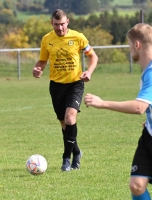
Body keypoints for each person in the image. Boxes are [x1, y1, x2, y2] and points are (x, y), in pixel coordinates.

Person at [84, 23, 152, 200]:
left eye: (129, 46)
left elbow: (139, 107)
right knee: (136, 185)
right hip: (151, 136)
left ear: (137, 45)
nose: (129, 50)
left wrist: (102, 103)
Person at [32, 9, 98, 172]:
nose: (60, 28)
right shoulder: (47, 39)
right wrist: (37, 69)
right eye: (56, 25)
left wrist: (88, 72)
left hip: (75, 83)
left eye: (62, 24)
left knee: (70, 118)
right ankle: (76, 152)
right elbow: (42, 60)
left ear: (67, 22)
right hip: (56, 86)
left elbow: (93, 57)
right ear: (51, 24)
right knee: (64, 124)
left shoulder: (78, 37)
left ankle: (66, 160)